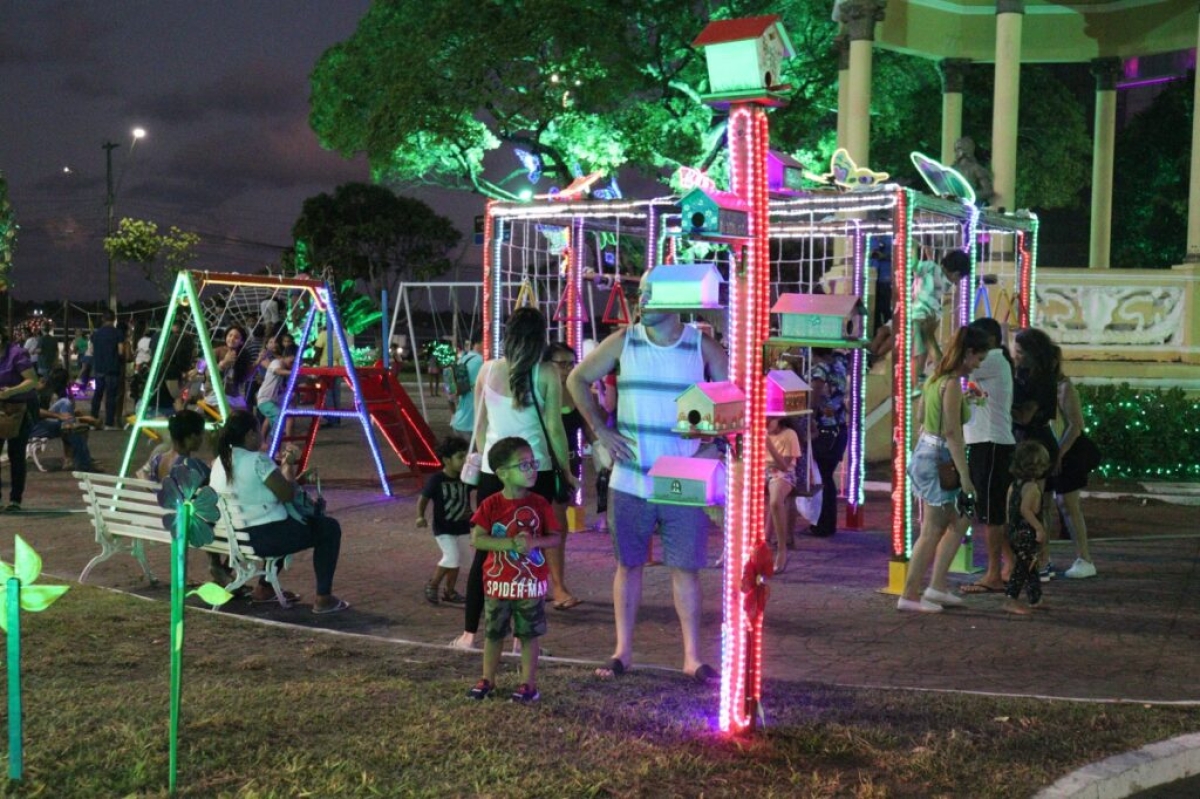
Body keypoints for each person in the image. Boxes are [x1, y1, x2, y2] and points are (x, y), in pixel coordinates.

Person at [566, 272, 728, 681]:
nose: (641, 303)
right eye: (641, 295)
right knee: (628, 565)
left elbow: (734, 400)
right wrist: (601, 429)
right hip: (631, 479)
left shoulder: (701, 345)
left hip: (682, 479)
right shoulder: (624, 340)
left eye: (650, 296)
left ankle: (692, 656)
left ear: (675, 300)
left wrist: (716, 444)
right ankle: (622, 651)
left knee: (685, 569)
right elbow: (576, 379)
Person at [451, 307, 577, 649]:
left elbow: (479, 428)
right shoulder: (547, 372)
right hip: (535, 471)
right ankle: (523, 638)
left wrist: (487, 460)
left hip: (495, 473)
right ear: (540, 339)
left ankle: (469, 633)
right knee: (530, 550)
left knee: (485, 553)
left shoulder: (487, 370)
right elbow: (554, 428)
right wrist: (566, 469)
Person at [209, 410, 349, 614]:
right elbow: (287, 494)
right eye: (259, 432)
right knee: (328, 528)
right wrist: (288, 465)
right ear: (250, 435)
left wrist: (290, 476)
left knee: (285, 522)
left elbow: (264, 491)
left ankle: (265, 588)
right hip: (262, 539)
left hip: (237, 536)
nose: (262, 436)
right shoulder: (258, 461)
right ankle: (323, 598)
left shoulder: (220, 462)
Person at [897, 326, 989, 612]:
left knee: (959, 520)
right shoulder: (950, 384)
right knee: (933, 529)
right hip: (940, 456)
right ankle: (910, 594)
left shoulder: (936, 377)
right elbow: (953, 433)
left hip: (928, 451)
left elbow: (922, 415)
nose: (978, 365)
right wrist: (965, 476)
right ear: (968, 353)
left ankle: (936, 586)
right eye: (979, 359)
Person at [465, 436, 561, 703]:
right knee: (493, 632)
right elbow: (477, 538)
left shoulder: (540, 504)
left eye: (533, 463)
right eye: (524, 465)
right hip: (497, 583)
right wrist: (509, 544)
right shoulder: (491, 504)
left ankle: (527, 684)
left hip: (530, 584)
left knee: (529, 634)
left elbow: (555, 537)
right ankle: (487, 679)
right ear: (502, 474)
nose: (531, 470)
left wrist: (533, 542)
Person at [959, 317, 1016, 595]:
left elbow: (952, 366)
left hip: (992, 443)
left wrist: (934, 339)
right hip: (984, 442)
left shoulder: (993, 358)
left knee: (992, 513)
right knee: (989, 511)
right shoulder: (991, 360)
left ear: (991, 341)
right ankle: (1010, 565)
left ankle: (994, 573)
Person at [1011, 327, 1062, 572]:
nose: (1016, 356)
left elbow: (1025, 416)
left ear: (1031, 353)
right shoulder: (1027, 373)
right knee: (1037, 504)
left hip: (1036, 444)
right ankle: (1042, 559)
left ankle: (1040, 561)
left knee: (1034, 505)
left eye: (1020, 352)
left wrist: (995, 403)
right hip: (1034, 440)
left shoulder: (1040, 379)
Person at [416, 435, 472, 605]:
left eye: (466, 456)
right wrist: (420, 516)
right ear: (447, 460)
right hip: (443, 528)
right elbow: (423, 498)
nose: (464, 461)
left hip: (463, 527)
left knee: (459, 559)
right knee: (451, 556)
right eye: (460, 457)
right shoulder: (436, 479)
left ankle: (450, 591)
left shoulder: (466, 478)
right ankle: (432, 585)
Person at [1054, 373, 1099, 579]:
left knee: (1068, 504)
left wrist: (1060, 454)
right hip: (1047, 451)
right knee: (1047, 505)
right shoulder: (1032, 382)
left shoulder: (1063, 387)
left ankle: (1084, 558)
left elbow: (1076, 425)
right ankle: (1043, 559)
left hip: (1066, 452)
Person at [1003, 440, 1051, 615]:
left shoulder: (1014, 485)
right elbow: (1026, 510)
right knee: (1023, 567)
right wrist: (1039, 528)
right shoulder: (1032, 488)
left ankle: (1035, 597)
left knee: (1031, 565)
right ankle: (1010, 597)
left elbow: (1010, 509)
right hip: (1026, 533)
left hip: (1014, 531)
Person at [911, 249, 972, 384]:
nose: (957, 282)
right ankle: (916, 377)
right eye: (959, 278)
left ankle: (918, 375)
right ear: (956, 274)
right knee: (921, 346)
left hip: (920, 310)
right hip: (921, 312)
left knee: (922, 346)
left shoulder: (936, 272)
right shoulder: (936, 271)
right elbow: (917, 267)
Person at [808, 347, 849, 538]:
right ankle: (826, 522)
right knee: (826, 476)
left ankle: (822, 523)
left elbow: (814, 398)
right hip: (839, 427)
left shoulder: (820, 370)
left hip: (824, 428)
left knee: (822, 477)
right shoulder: (840, 364)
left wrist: (809, 419)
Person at [0, 326, 40, 512]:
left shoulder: (17, 353)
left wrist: (11, 391)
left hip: (18, 410)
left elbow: (32, 381)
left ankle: (15, 500)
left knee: (16, 455)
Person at [31, 368, 99, 472]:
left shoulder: (48, 391)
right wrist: (58, 416)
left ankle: (73, 459)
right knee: (74, 428)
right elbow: (35, 411)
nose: (42, 381)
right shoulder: (29, 392)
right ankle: (83, 462)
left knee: (70, 417)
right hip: (32, 426)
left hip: (41, 421)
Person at [766, 415, 801, 573]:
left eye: (769, 421)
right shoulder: (757, 433)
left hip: (782, 474)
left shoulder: (789, 434)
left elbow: (784, 465)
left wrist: (768, 445)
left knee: (775, 501)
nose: (766, 425)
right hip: (763, 472)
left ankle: (782, 548)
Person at [89, 311, 126, 429]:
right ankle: (109, 423)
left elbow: (92, 351)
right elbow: (121, 351)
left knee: (97, 395)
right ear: (114, 319)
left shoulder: (96, 334)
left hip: (99, 368)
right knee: (111, 397)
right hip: (113, 368)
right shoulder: (118, 333)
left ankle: (93, 420)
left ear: (102, 319)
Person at [257, 343, 297, 441]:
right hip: (265, 399)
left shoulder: (282, 366)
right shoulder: (276, 362)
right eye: (292, 362)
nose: (292, 365)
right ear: (286, 356)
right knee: (280, 417)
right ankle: (273, 441)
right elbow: (277, 371)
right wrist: (294, 372)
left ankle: (269, 444)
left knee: (273, 422)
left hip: (271, 400)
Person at [447, 337, 484, 439]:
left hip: (458, 421)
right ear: (481, 341)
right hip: (473, 424)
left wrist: (453, 415)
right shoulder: (482, 362)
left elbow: (450, 394)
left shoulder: (461, 360)